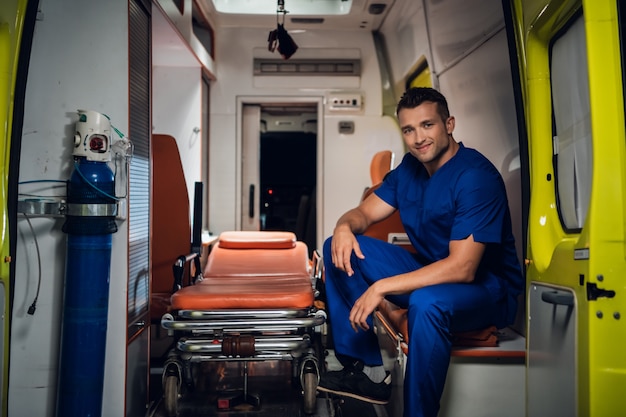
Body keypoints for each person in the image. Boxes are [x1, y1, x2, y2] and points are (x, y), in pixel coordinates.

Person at [317, 87, 524, 417]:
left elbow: (463, 268)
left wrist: (381, 288)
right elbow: (364, 214)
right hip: (432, 269)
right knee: (337, 247)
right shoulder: (409, 171)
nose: (418, 138)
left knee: (426, 303)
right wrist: (343, 226)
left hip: (485, 289)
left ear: (449, 124)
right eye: (409, 129)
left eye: (427, 125)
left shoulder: (475, 177)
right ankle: (368, 370)